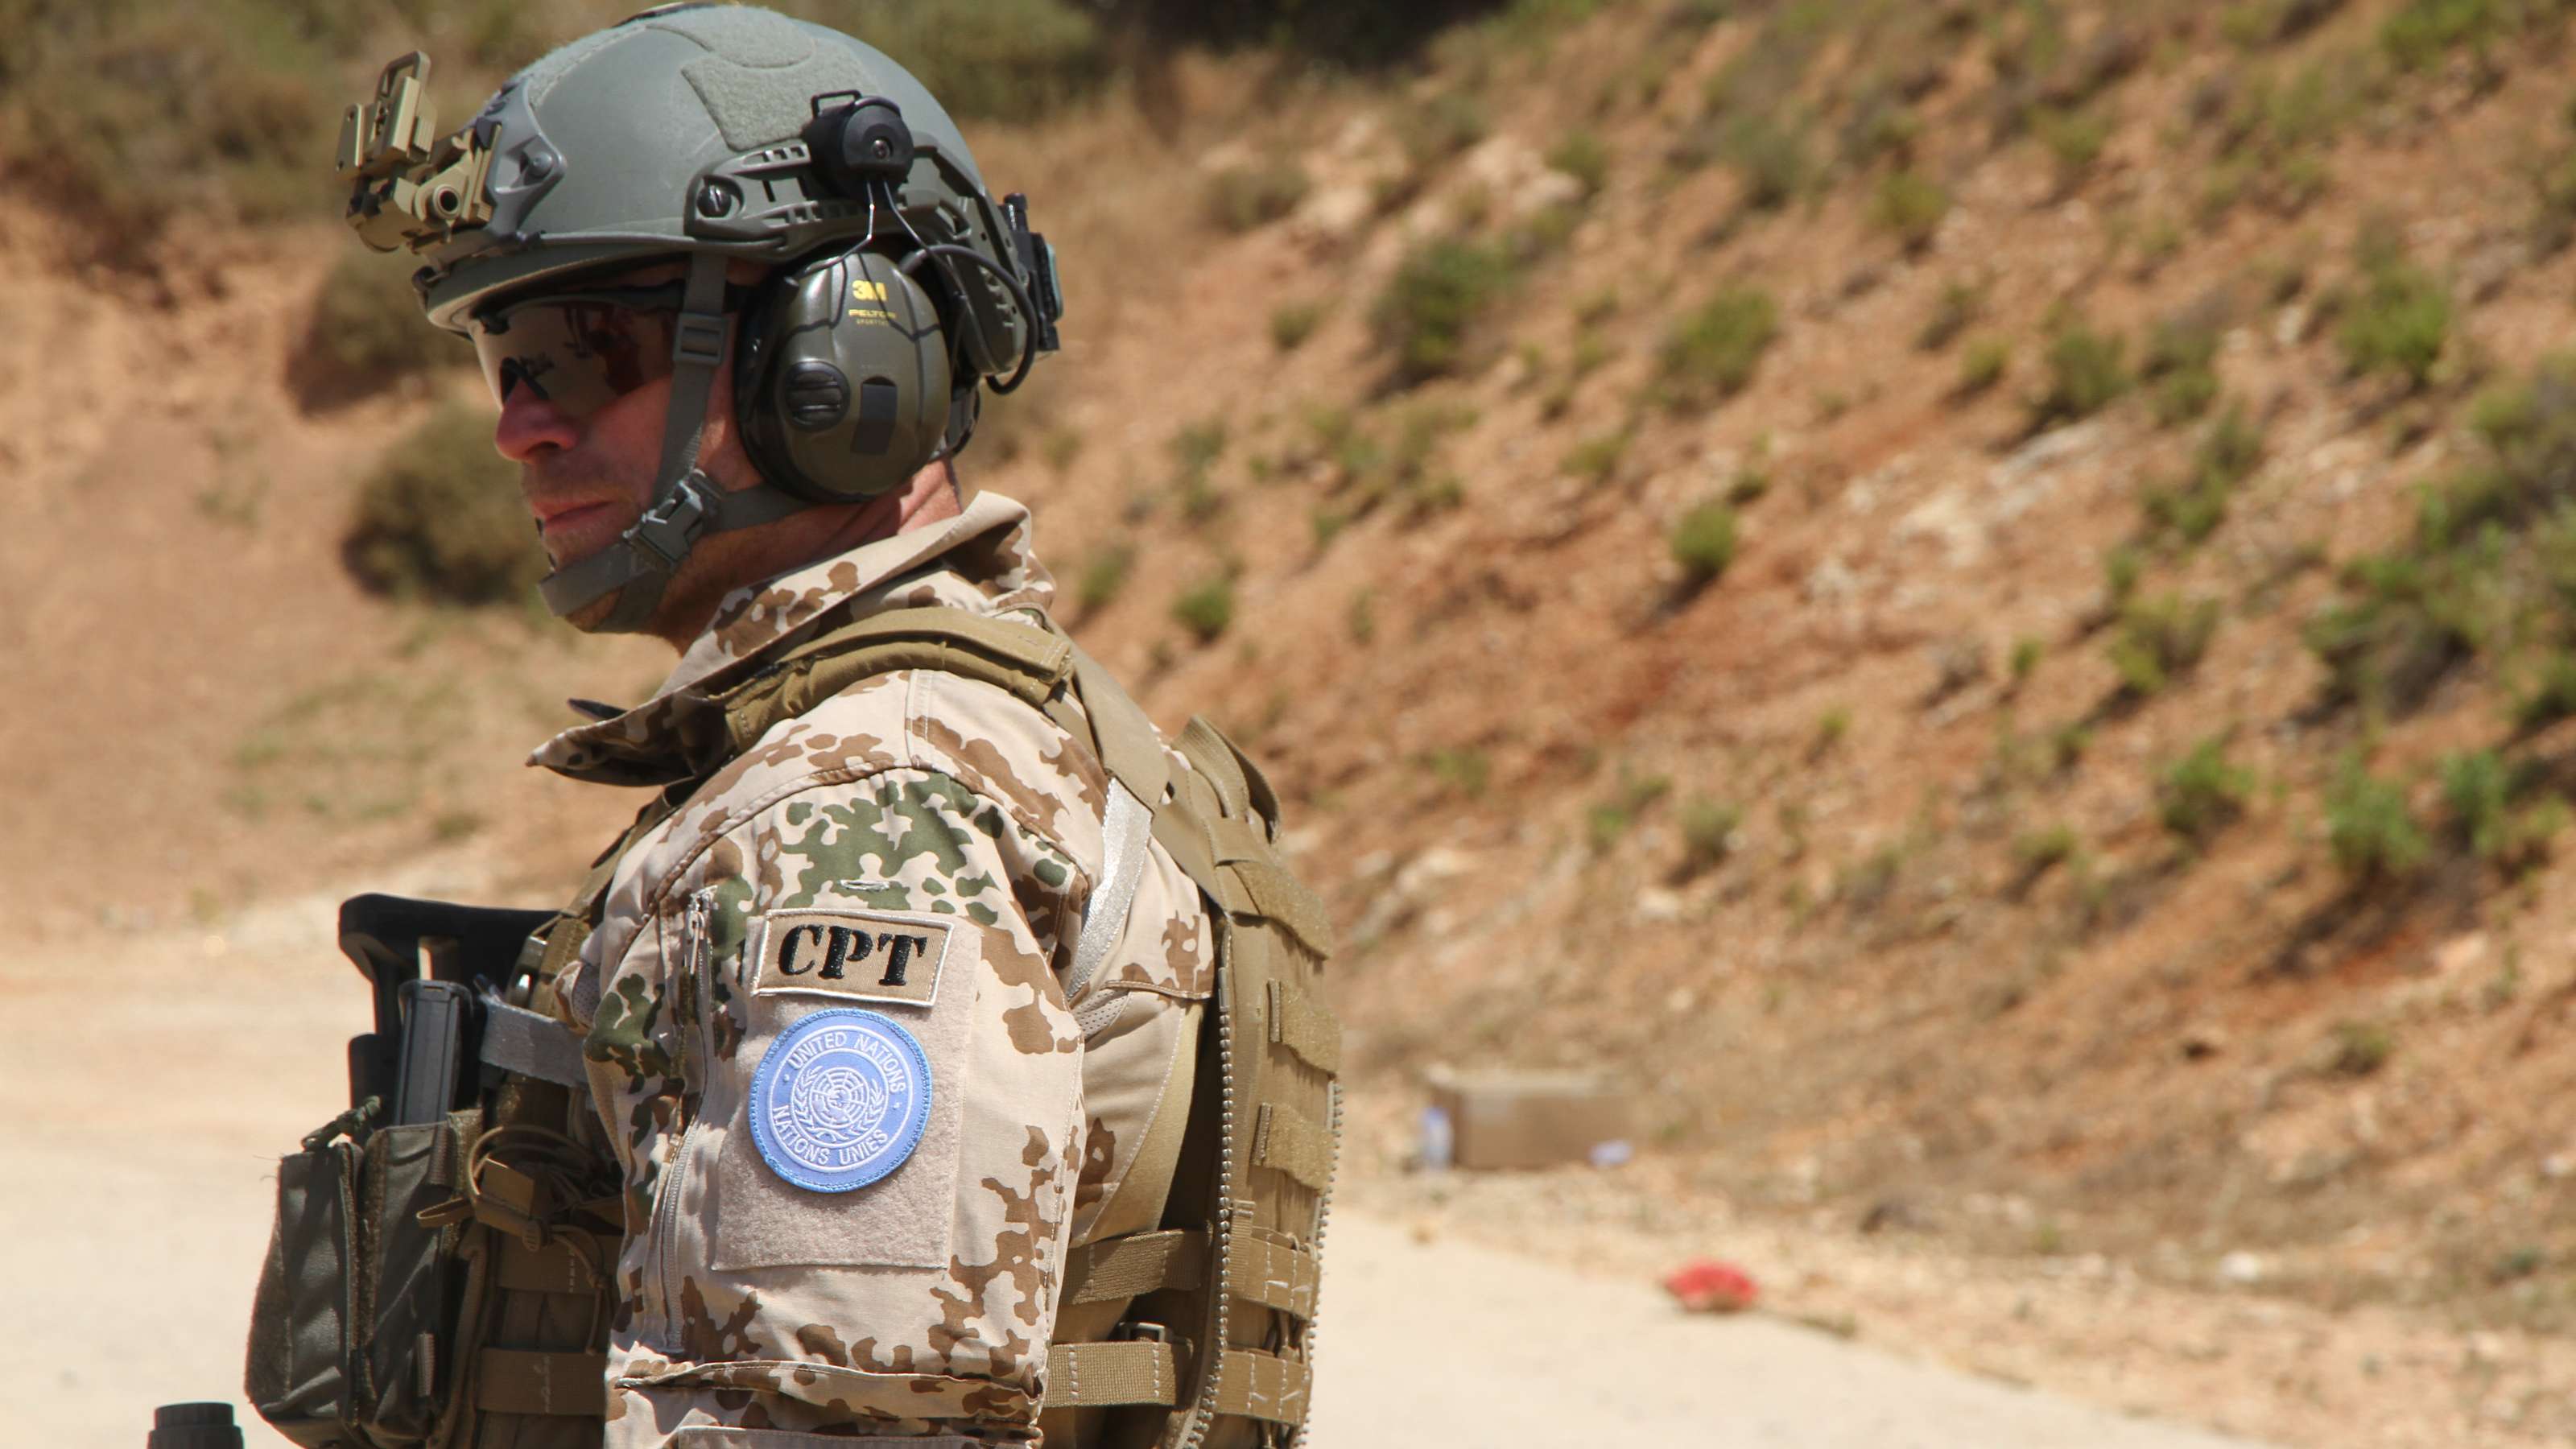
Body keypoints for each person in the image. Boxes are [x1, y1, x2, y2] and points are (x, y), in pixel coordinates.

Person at [282, 6, 1341, 1446]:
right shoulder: (918, 741)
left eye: (578, 351)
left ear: (836, 355)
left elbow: (839, 1422)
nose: (517, 427)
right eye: (502, 359)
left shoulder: (866, 810)